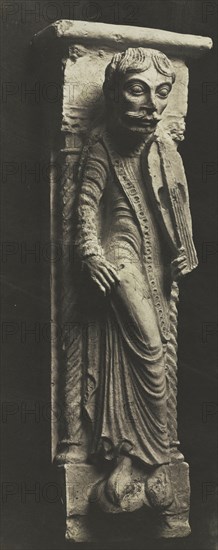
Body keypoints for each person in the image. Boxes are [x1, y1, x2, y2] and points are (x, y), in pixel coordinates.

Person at [75, 48, 197, 509]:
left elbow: (178, 206)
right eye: (137, 89)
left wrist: (185, 249)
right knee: (149, 346)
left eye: (162, 93)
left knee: (162, 349)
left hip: (156, 261)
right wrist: (90, 252)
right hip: (119, 254)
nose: (151, 104)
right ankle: (144, 456)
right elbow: (85, 204)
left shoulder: (163, 147)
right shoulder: (102, 143)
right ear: (112, 94)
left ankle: (140, 456)